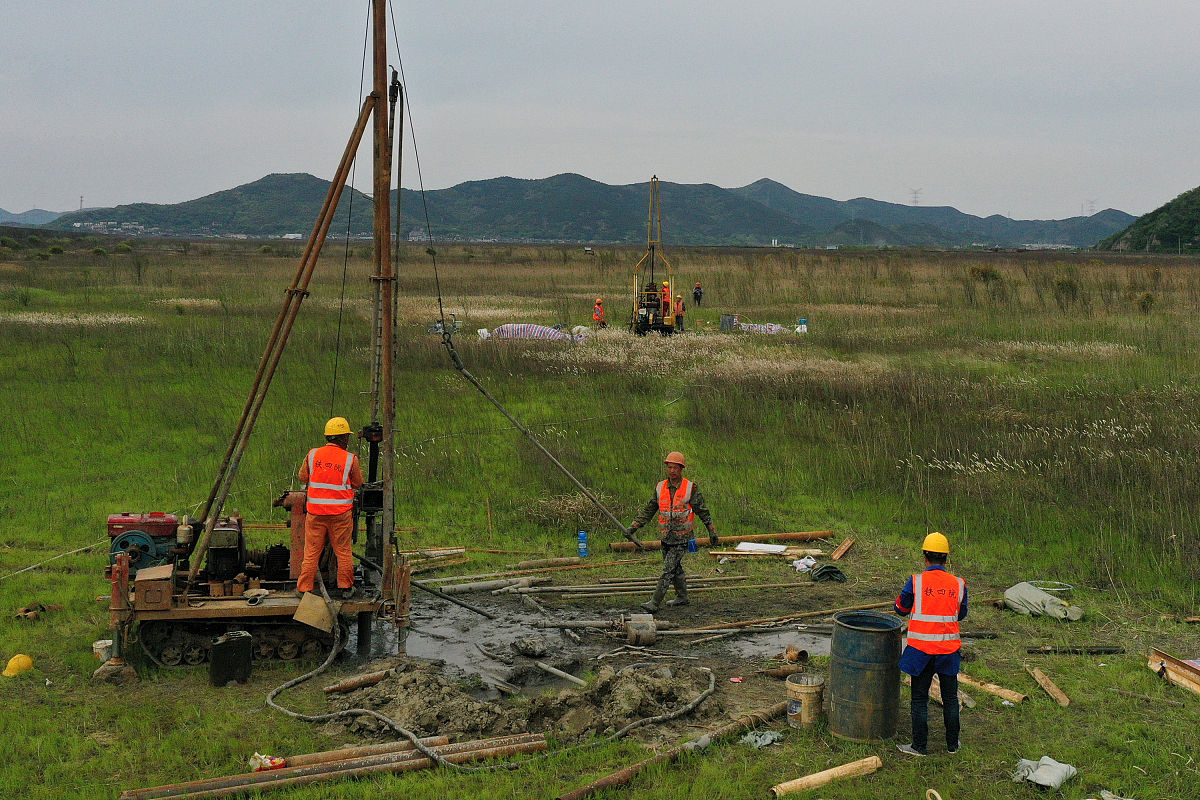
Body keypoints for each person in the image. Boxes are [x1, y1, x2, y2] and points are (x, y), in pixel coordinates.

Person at [894, 531, 967, 756]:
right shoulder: (959, 583)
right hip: (948, 651)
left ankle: (919, 746)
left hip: (921, 651)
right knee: (950, 699)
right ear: (946, 558)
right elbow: (961, 614)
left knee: (919, 699)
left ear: (925, 557)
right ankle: (953, 745)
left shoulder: (916, 581)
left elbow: (901, 608)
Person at [627, 451, 717, 613]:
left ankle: (655, 602)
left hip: (682, 538)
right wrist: (634, 526)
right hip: (666, 537)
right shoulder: (660, 487)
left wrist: (712, 531)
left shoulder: (690, 488)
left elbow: (703, 510)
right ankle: (682, 597)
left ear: (681, 469)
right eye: (670, 467)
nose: (672, 471)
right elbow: (650, 509)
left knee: (667, 570)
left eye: (675, 468)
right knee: (675, 568)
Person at [297, 416, 364, 599]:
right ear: (343, 438)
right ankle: (345, 588)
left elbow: (303, 477)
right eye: (347, 437)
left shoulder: (312, 455)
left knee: (311, 551)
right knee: (343, 551)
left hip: (315, 513)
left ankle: (304, 588)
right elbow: (358, 483)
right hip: (340, 515)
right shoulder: (350, 459)